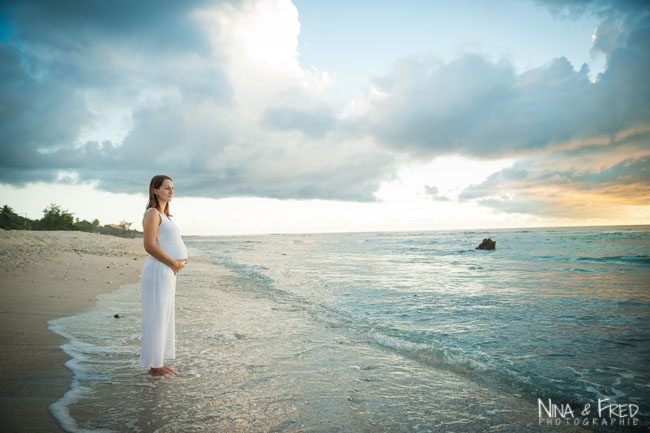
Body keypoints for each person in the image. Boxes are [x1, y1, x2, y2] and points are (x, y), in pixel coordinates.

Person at [139, 174, 188, 376]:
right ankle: (155, 366)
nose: (171, 191)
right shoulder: (152, 213)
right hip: (158, 270)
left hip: (167, 271)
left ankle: (157, 362)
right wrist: (173, 263)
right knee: (157, 316)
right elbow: (149, 246)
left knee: (164, 315)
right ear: (155, 190)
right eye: (167, 188)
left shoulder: (165, 215)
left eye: (172, 188)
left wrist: (174, 265)